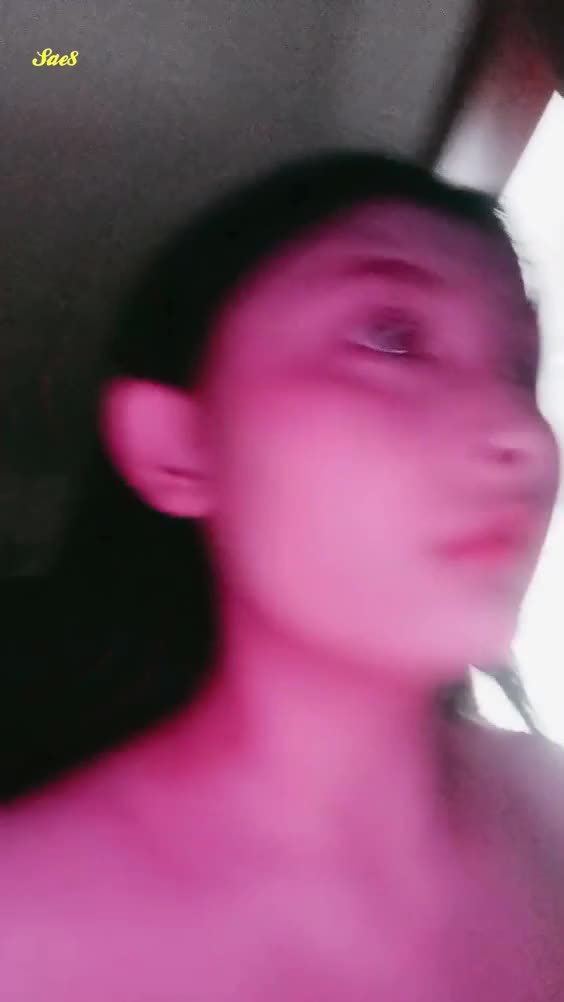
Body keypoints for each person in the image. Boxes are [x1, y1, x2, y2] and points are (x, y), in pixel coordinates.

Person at [2, 149, 564, 1000]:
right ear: (176, 448)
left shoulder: (550, 799)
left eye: (519, 369)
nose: (520, 433)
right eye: (393, 336)